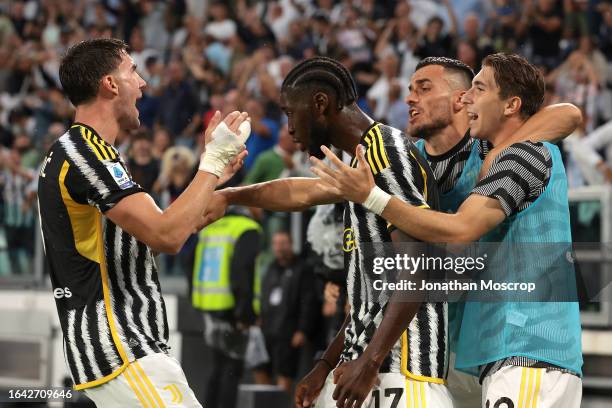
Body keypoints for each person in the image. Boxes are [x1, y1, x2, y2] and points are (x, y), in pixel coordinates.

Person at [312, 53, 583, 408]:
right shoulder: (411, 162)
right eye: (409, 89)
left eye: (424, 88)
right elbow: (309, 190)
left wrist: (501, 152)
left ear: (459, 99)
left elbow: (569, 114)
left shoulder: (500, 151)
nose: (410, 98)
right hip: (465, 346)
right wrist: (233, 193)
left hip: (523, 340)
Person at [205, 56, 452, 408]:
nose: (289, 127)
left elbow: (418, 271)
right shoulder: (361, 161)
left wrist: (369, 362)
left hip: (400, 369)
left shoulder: (386, 154)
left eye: (291, 112)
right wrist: (325, 362)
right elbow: (370, 293)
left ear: (320, 104)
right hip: (368, 366)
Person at [37, 38, 250, 408]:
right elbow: (166, 235)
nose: (144, 83)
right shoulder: (85, 155)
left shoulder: (89, 153)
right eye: (133, 71)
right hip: (121, 346)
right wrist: (212, 162)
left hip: (119, 351)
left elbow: (148, 236)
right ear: (110, 84)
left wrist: (210, 183)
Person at [192, 207, 262, 408]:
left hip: (209, 307)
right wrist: (245, 314)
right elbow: (242, 270)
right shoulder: (247, 229)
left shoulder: (211, 228)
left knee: (218, 368)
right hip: (232, 310)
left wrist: (196, 298)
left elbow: (189, 262)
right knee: (232, 370)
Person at [260, 231, 318, 393]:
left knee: (285, 371)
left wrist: (302, 329)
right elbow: (264, 295)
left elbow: (308, 301)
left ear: (291, 244)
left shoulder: (302, 268)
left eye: (283, 243)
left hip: (288, 330)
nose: (279, 247)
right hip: (268, 328)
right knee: (261, 367)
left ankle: (280, 402)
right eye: (276, 243)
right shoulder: (271, 267)